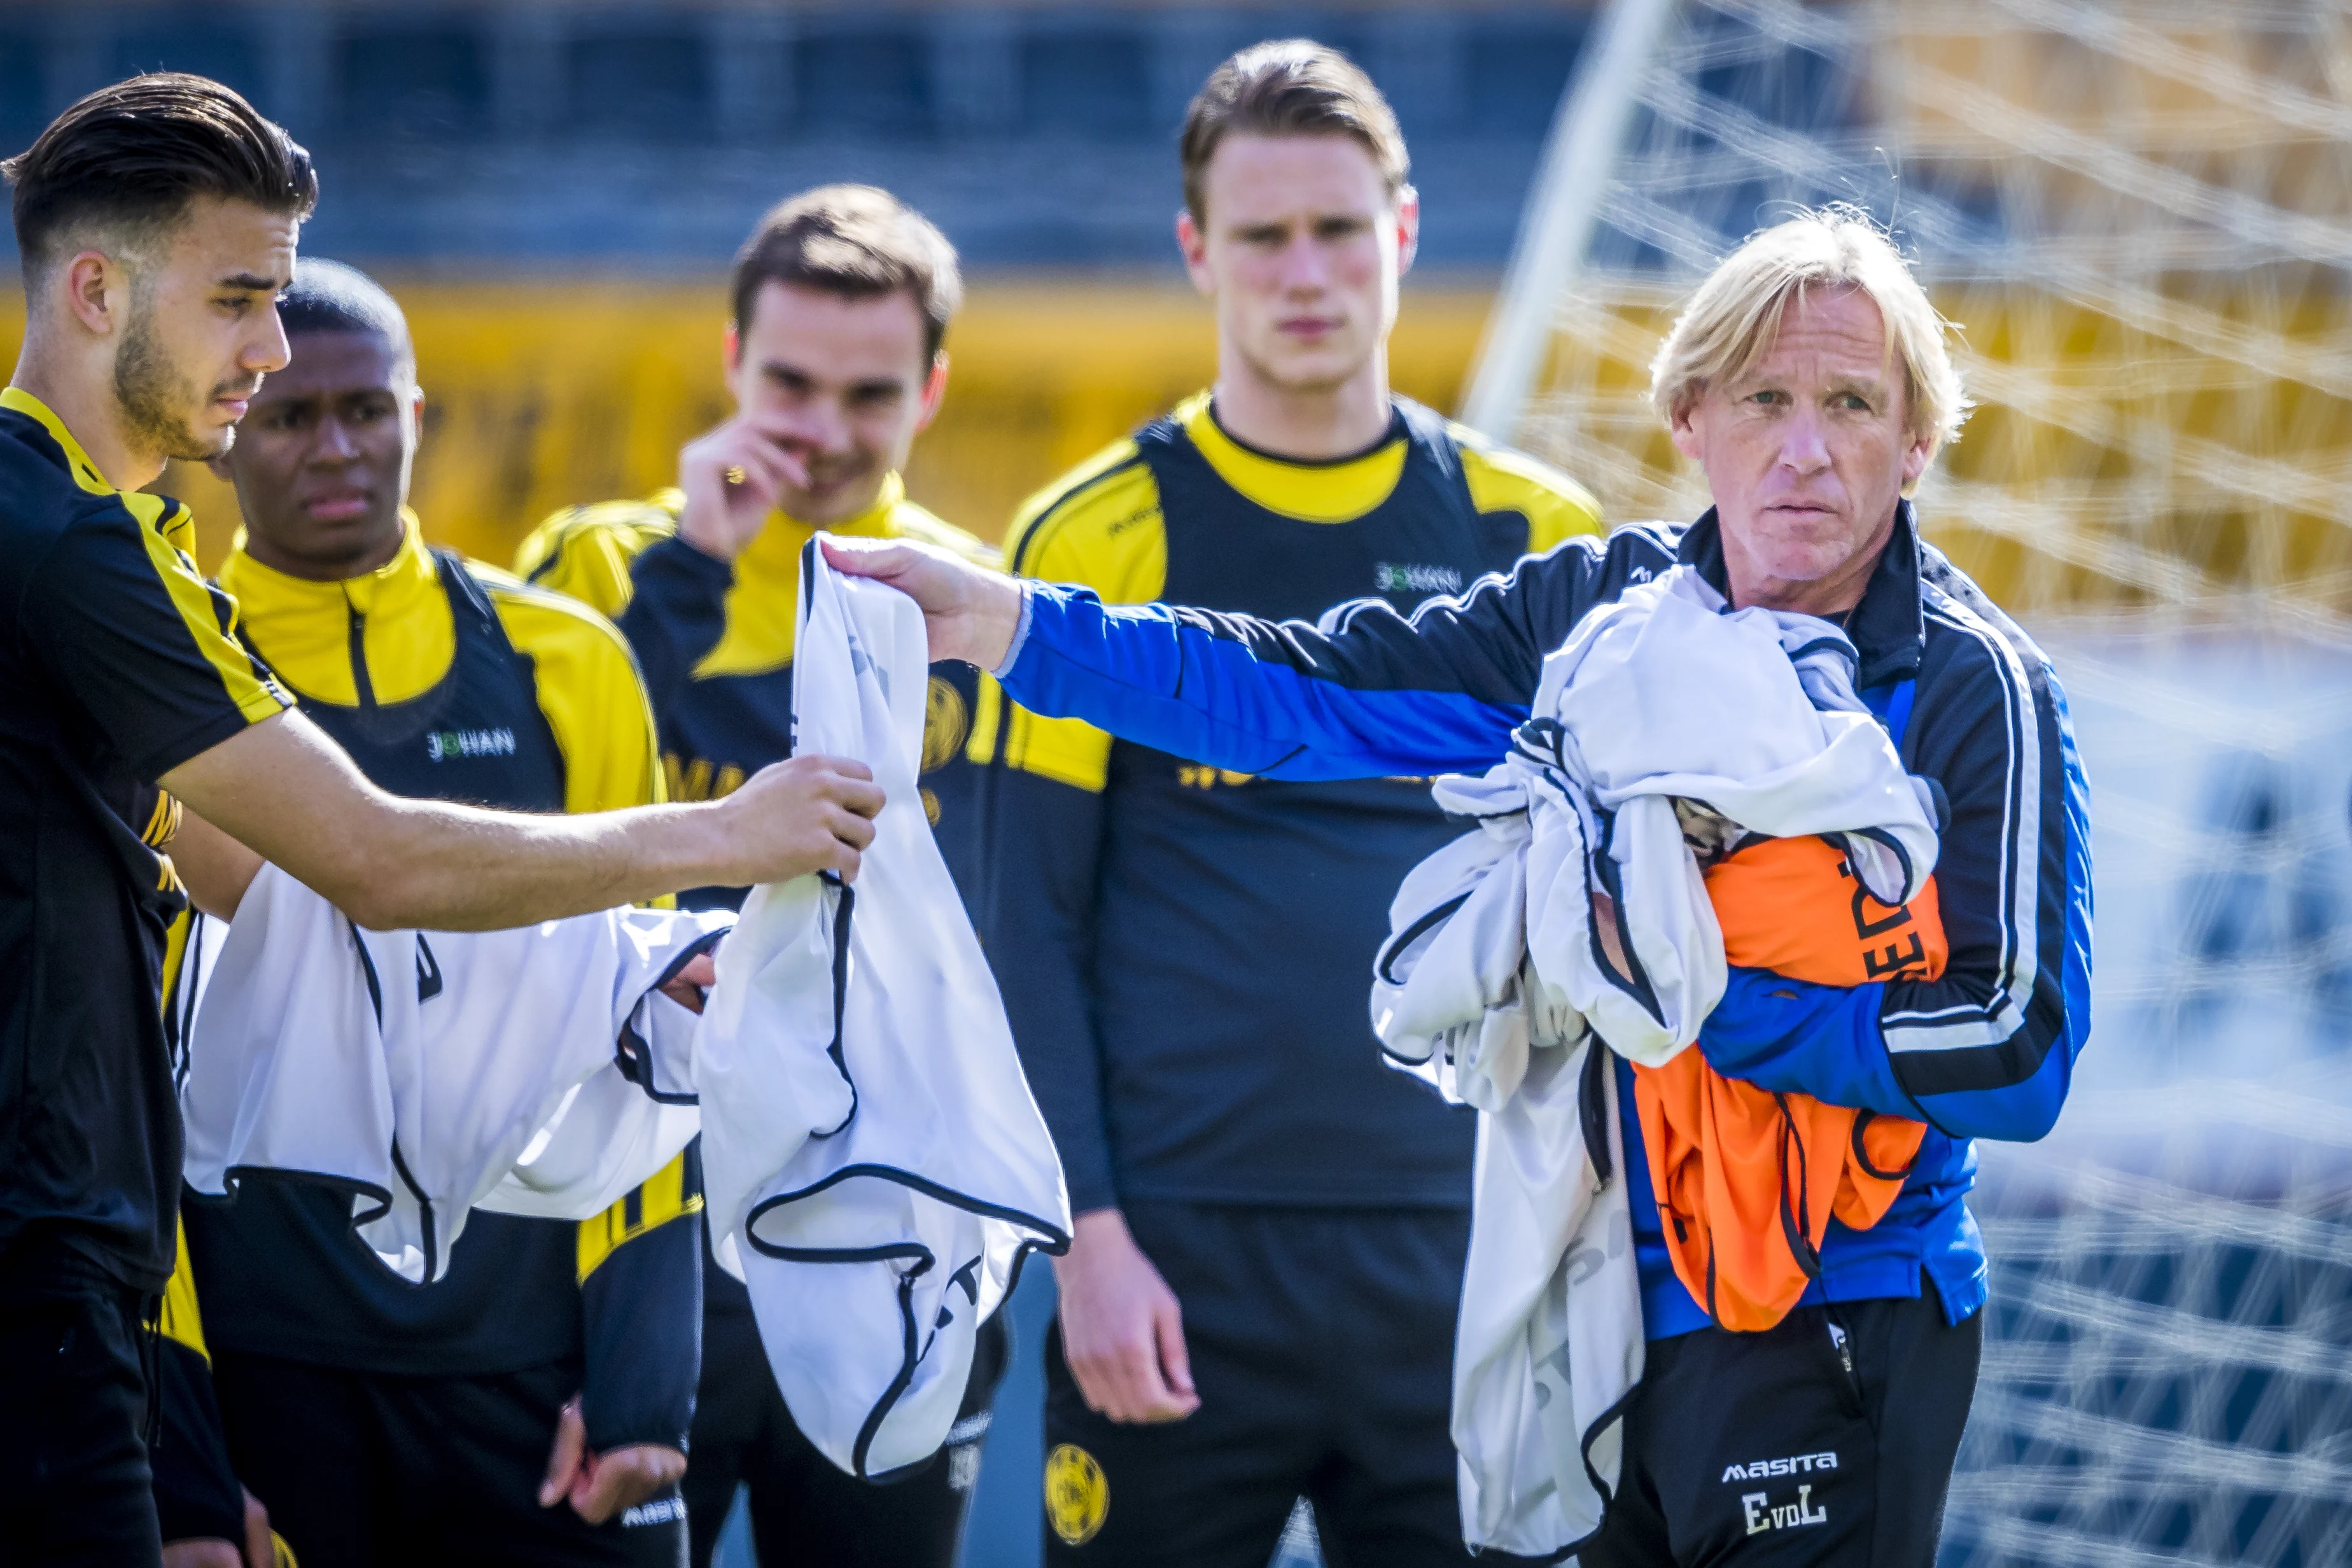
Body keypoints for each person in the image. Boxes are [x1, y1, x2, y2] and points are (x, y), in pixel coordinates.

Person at [832, 206, 2093, 1567]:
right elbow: (1304, 688)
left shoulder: (1976, 686)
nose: (1806, 448)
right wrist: (1013, 625)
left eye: (1852, 404)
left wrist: (1693, 998)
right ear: (1691, 418)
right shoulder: (1602, 622)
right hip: (1591, 1309)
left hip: (1842, 1311)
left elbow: (2016, 1049)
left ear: (1915, 443)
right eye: (1764, 400)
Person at [0, 75, 878, 1565]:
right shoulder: (70, 540)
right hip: (43, 1266)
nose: (273, 350)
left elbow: (253, 881)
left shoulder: (85, 528)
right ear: (97, 292)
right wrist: (730, 837)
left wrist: (620, 982)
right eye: (239, 301)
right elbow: (374, 860)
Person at [972, 42, 1601, 1565]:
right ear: (1198, 251)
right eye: (1262, 235)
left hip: (1471, 1251)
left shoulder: (1538, 536)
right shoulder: (1090, 538)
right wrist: (1086, 1242)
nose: (1304, 272)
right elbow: (1025, 921)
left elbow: (1600, 926)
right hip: (1173, 1265)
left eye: (1338, 228)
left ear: (1405, 229)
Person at [170, 258, 700, 1564]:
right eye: (290, 416)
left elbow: (646, 1028)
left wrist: (642, 1376)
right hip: (270, 1369)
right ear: (226, 430)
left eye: (367, 410)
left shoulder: (567, 660)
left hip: (532, 1383)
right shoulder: (162, 671)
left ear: (416, 415)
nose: (335, 446)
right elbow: (127, 1072)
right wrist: (176, 1448)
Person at [515, 183, 1006, 1568]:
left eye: (871, 394)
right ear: (732, 361)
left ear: (933, 389)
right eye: (791, 382)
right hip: (640, 1228)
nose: (826, 430)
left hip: (891, 1224)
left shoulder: (975, 602)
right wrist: (696, 561)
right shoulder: (598, 564)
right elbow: (529, 843)